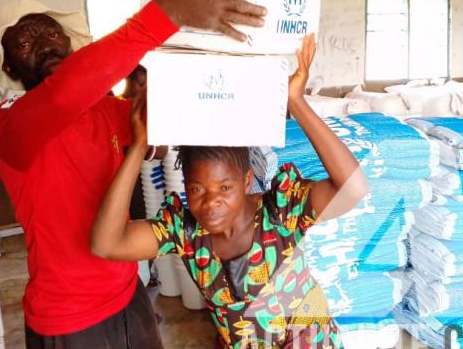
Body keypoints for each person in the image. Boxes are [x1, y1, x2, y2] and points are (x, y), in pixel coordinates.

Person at [0, 0, 267, 347]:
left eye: (50, 33)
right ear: (11, 68)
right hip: (69, 313)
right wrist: (169, 12)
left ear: (70, 43)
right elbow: (62, 98)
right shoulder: (7, 123)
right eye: (24, 42)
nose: (42, 44)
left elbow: (157, 146)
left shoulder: (104, 108)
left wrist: (158, 80)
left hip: (126, 290)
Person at [91, 34, 369, 348]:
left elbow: (353, 188)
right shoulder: (185, 231)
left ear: (247, 181)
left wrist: (296, 102)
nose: (211, 203)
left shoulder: (280, 212)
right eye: (196, 189)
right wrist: (138, 146)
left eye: (225, 187)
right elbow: (106, 244)